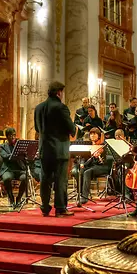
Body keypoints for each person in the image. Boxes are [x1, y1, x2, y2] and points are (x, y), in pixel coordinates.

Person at [34, 81, 77, 217]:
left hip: (44, 150)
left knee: (45, 179)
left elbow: (36, 129)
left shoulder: (38, 108)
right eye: (62, 92)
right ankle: (60, 208)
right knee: (60, 179)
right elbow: (71, 128)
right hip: (59, 150)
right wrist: (74, 129)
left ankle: (45, 207)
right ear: (59, 92)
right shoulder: (61, 107)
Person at [79, 128, 113, 204]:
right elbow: (83, 157)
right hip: (92, 166)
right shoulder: (89, 145)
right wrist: (82, 163)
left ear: (99, 135)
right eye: (91, 134)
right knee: (81, 171)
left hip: (103, 167)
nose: (92, 135)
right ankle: (81, 194)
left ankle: (84, 197)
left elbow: (110, 158)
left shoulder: (104, 145)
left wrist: (100, 156)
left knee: (87, 172)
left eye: (94, 134)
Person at [0, 127, 27, 207]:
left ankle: (18, 198)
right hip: (8, 169)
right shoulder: (1, 146)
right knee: (7, 178)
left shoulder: (19, 145)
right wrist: (16, 153)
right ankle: (11, 198)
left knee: (25, 178)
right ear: (7, 137)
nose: (13, 137)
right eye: (11, 136)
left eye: (14, 135)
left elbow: (25, 157)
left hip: (19, 169)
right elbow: (5, 156)